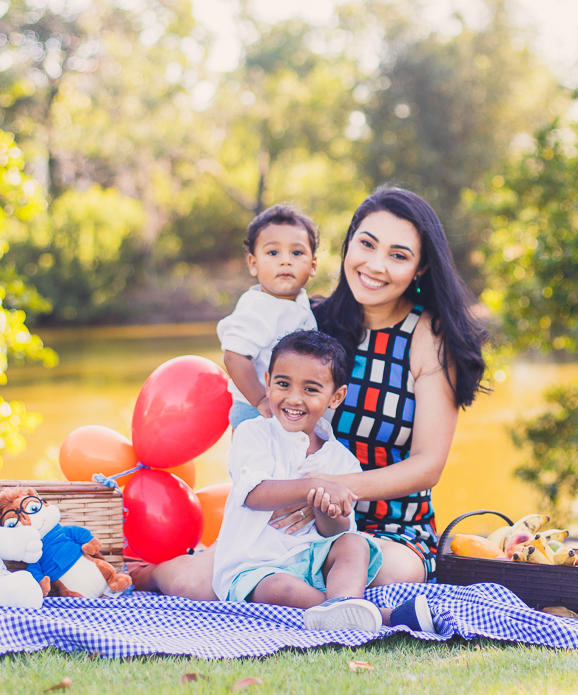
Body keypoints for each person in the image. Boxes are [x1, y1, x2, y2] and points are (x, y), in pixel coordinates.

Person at [131, 188, 486, 611]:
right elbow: (249, 381)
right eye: (367, 244)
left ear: (420, 267)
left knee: (386, 573)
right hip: (291, 517)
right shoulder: (309, 323)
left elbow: (428, 466)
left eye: (398, 255)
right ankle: (141, 572)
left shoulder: (427, 336)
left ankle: (339, 611)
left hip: (389, 526)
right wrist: (294, 486)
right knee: (194, 584)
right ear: (348, 243)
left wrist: (328, 492)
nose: (375, 265)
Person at [212, 329, 387, 631]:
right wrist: (313, 487)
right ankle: (361, 614)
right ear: (267, 382)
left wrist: (327, 511)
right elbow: (254, 494)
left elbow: (335, 530)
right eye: (283, 384)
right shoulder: (254, 434)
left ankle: (342, 603)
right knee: (282, 590)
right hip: (258, 567)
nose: (294, 399)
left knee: (354, 544)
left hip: (314, 560)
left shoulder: (342, 460)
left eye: (310, 389)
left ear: (336, 397)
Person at [217, 204, 319, 429]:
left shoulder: (300, 301)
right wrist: (260, 399)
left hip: (288, 407)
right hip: (256, 409)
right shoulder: (257, 306)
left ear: (313, 266)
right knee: (256, 463)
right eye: (273, 253)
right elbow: (234, 357)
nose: (285, 261)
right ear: (253, 264)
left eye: (297, 253)